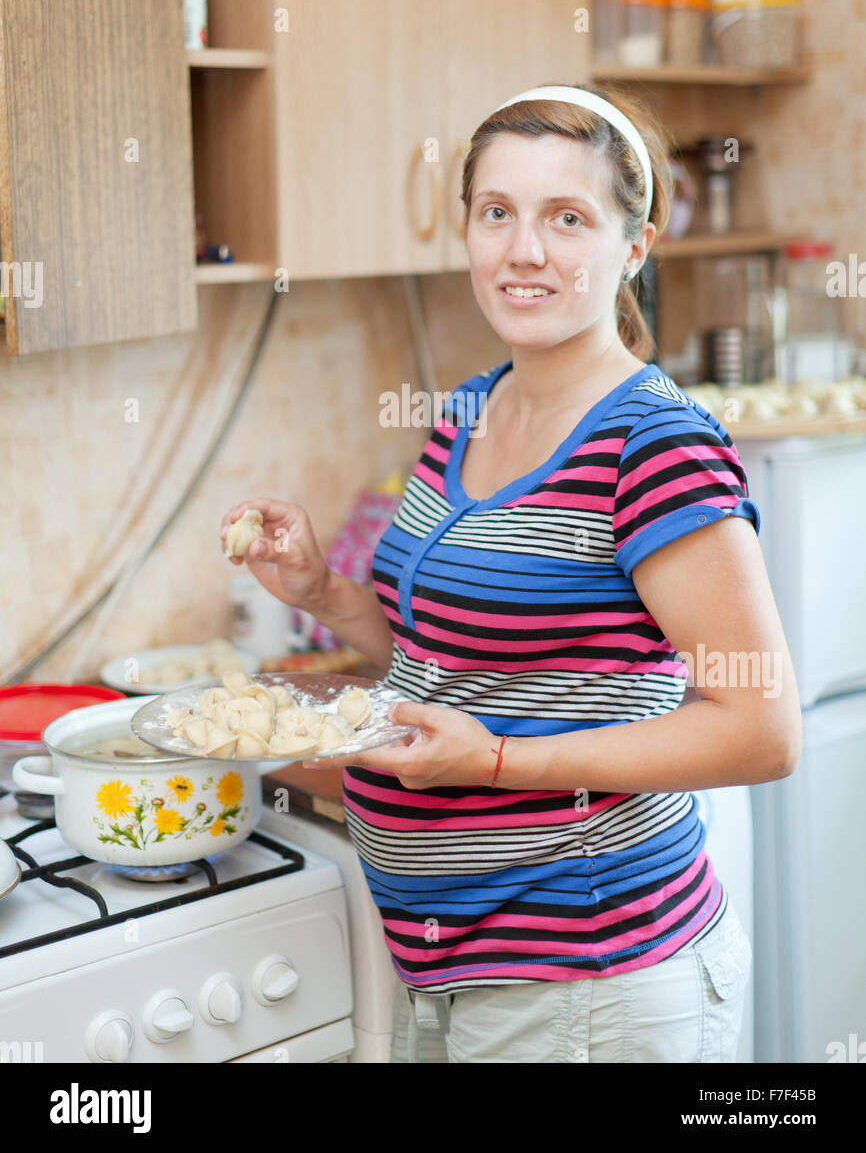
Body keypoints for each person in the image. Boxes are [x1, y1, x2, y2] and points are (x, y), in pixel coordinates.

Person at [220, 82, 802, 1063]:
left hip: (595, 981)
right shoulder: (465, 410)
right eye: (497, 213)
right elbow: (449, 650)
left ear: (634, 245)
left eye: (565, 218)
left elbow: (760, 729)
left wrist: (494, 762)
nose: (522, 250)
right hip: (452, 970)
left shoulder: (652, 443)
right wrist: (323, 591)